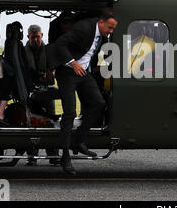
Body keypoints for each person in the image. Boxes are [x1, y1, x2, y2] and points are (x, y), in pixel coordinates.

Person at [54, 9, 117, 175]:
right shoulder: (83, 28)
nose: (110, 32)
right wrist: (73, 63)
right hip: (68, 71)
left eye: (113, 29)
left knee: (98, 103)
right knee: (69, 112)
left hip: (83, 72)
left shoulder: (102, 35)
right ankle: (65, 156)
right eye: (109, 28)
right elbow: (60, 44)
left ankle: (80, 141)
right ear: (101, 22)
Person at [24, 24, 61, 165]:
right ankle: (32, 156)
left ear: (42, 36)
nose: (35, 40)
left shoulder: (49, 50)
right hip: (31, 90)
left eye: (37, 37)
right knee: (32, 124)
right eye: (33, 37)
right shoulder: (23, 52)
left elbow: (53, 69)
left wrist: (51, 73)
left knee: (51, 122)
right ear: (28, 37)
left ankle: (53, 155)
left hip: (47, 89)